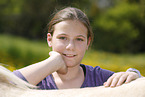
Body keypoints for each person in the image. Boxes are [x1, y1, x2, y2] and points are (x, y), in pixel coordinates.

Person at [13, 7, 141, 89]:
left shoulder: (101, 79)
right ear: (49, 39)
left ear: (88, 43)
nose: (70, 47)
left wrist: (134, 74)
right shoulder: (36, 79)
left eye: (79, 39)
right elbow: (7, 84)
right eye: (63, 38)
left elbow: (136, 83)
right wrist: (53, 63)